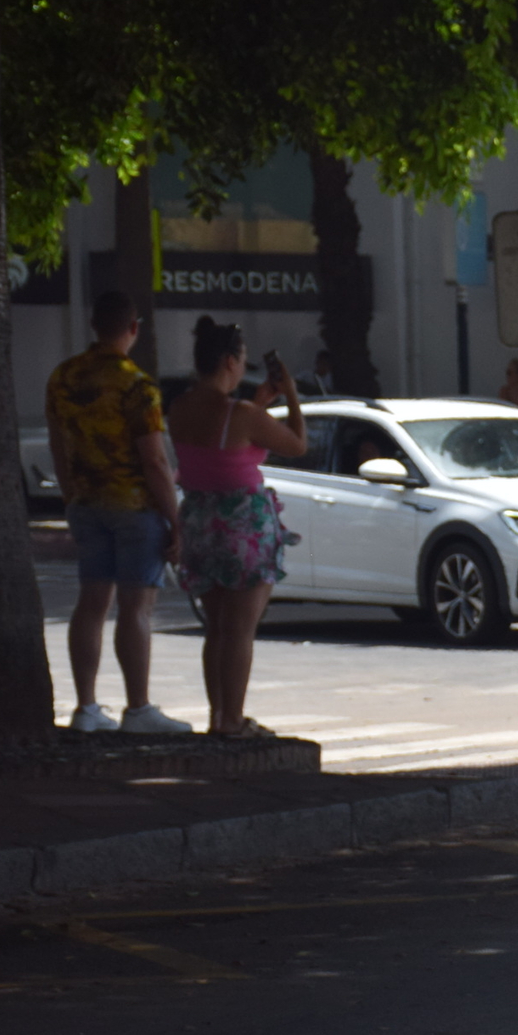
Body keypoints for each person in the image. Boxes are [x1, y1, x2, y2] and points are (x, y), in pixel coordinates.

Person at [46, 290, 192, 733]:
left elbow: (58, 443)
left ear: (94, 325)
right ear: (133, 328)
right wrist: (176, 520)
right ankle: (138, 708)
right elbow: (154, 461)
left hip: (86, 504)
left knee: (90, 603)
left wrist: (72, 495)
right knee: (136, 608)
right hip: (133, 507)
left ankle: (87, 708)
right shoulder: (138, 385)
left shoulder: (63, 377)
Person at [169, 318, 309, 737]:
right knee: (241, 632)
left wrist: (259, 403)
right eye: (243, 360)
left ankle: (218, 717)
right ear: (230, 360)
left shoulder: (179, 408)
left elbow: (223, 449)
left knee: (217, 629)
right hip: (243, 526)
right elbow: (298, 444)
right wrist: (292, 396)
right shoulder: (242, 413)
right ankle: (234, 720)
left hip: (199, 521)